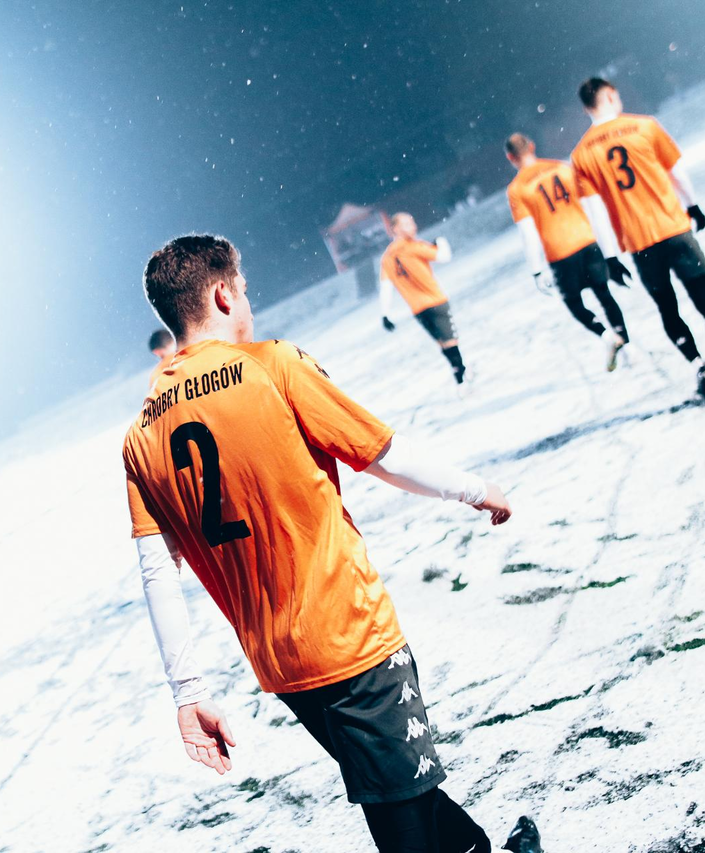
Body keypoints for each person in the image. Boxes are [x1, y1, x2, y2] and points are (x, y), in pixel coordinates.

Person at [122, 234, 542, 853]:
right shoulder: (271, 365)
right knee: (401, 812)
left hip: (282, 663)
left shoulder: (141, 432)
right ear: (223, 294)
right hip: (350, 635)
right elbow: (383, 455)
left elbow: (158, 573)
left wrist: (188, 694)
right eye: (244, 291)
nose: (249, 304)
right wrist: (476, 490)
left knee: (402, 784)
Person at [571, 77, 705, 401]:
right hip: (674, 230)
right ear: (611, 96)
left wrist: (610, 257)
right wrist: (693, 205)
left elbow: (595, 212)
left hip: (640, 244)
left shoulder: (582, 155)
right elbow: (677, 172)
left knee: (668, 310)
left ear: (586, 108)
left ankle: (698, 366)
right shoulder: (645, 126)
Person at [504, 132, 631, 372]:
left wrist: (536, 270)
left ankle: (606, 335)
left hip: (560, 253)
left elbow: (528, 233)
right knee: (604, 294)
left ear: (511, 157)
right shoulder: (563, 167)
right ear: (532, 146)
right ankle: (625, 344)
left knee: (574, 303)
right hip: (586, 239)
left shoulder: (517, 189)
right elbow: (589, 204)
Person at [378, 213, 468, 388]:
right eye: (406, 224)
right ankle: (461, 376)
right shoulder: (413, 246)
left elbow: (385, 286)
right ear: (395, 229)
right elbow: (444, 257)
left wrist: (385, 314)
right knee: (450, 341)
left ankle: (458, 372)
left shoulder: (387, 258)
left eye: (412, 222)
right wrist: (441, 242)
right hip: (436, 301)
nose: (412, 226)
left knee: (441, 343)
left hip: (417, 309)